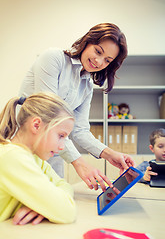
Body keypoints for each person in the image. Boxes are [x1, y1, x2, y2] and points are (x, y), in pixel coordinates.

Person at [19, 23, 135, 192]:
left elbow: (80, 131)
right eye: (98, 51)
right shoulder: (53, 58)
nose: (99, 61)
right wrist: (79, 163)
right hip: (24, 147)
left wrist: (110, 155)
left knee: (56, 201)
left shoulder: (86, 85)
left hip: (52, 151)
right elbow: (47, 117)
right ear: (88, 41)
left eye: (107, 60)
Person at [0, 92, 76, 225]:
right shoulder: (12, 157)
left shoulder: (36, 159)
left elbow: (64, 185)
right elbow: (67, 212)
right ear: (36, 125)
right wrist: (51, 206)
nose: (62, 146)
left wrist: (42, 207)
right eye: (60, 136)